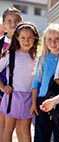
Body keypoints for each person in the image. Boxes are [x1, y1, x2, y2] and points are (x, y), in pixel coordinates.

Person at [0, 22, 39, 142]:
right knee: (8, 129)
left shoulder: (36, 57)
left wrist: (34, 101)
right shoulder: (10, 54)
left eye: (29, 38)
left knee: (25, 130)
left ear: (35, 39)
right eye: (23, 37)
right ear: (17, 38)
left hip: (28, 98)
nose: (26, 41)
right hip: (12, 97)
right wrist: (2, 87)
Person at [31, 23, 59, 142]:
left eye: (57, 39)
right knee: (42, 133)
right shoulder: (43, 59)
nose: (53, 42)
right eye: (50, 39)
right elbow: (36, 82)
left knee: (58, 133)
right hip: (42, 99)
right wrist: (33, 103)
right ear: (45, 42)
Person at [0, 7, 22, 142]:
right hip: (3, 88)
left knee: (20, 127)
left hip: (18, 89)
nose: (13, 24)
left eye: (17, 21)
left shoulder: (25, 42)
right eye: (9, 21)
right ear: (3, 25)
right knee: (3, 126)